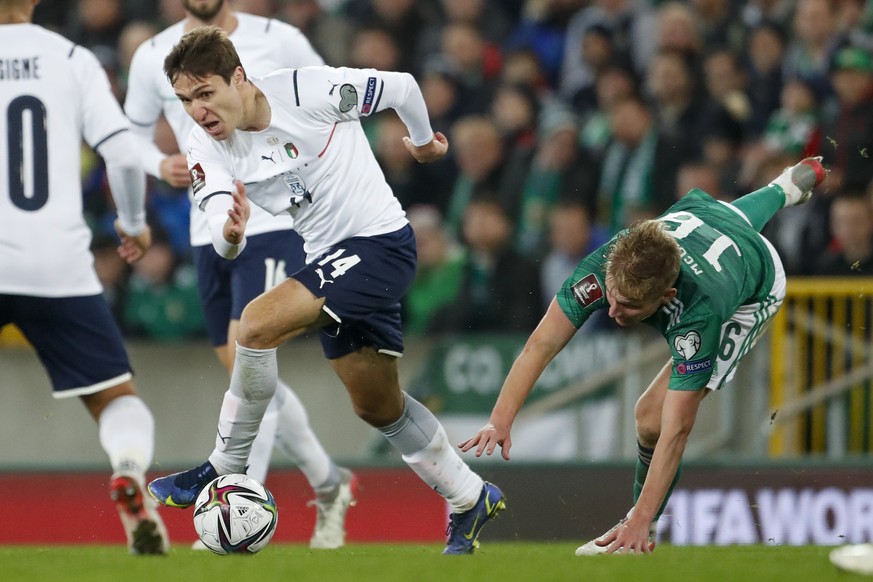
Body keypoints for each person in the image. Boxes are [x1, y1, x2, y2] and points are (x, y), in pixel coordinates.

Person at [146, 26, 505, 555]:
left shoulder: (306, 91)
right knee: (378, 407)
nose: (197, 111)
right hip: (329, 262)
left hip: (382, 244)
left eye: (205, 94)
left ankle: (223, 466)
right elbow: (221, 222)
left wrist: (425, 142)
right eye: (185, 100)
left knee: (255, 323)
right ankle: (470, 495)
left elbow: (403, 87)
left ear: (238, 78)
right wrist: (230, 232)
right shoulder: (204, 144)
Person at [460, 156, 828, 555]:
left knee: (651, 419)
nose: (615, 314)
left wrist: (640, 517)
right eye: (613, 300)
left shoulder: (699, 314)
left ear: (667, 297)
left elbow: (677, 431)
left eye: (632, 308)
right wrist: (500, 419)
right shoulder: (604, 267)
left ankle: (640, 527)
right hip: (703, 218)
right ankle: (784, 187)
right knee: (728, 216)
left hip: (753, 288)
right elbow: (541, 344)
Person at [123, 0, 355, 550]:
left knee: (252, 360)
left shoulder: (279, 38)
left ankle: (233, 511)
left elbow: (330, 102)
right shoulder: (152, 54)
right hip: (213, 227)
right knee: (250, 378)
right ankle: (329, 482)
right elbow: (126, 134)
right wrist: (161, 165)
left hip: (276, 221)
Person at [0, 0, 168, 555]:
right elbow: (122, 154)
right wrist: (135, 223)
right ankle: (127, 471)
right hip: (56, 261)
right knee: (115, 397)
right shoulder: (70, 57)